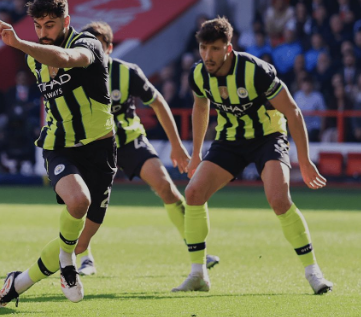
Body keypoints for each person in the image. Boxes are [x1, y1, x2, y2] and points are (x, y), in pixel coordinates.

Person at [172, 17, 333, 295]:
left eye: (214, 49)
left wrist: (304, 161)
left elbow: (292, 111)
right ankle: (198, 274)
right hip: (229, 140)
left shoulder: (256, 71)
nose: (207, 56)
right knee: (194, 192)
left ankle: (313, 272)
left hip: (267, 137)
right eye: (203, 48)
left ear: (229, 49)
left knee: (279, 200)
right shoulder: (198, 74)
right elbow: (201, 108)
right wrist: (196, 153)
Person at [0, 0, 116, 308]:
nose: (44, 34)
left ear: (66, 21)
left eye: (51, 26)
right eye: (39, 27)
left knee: (79, 240)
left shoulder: (88, 45)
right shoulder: (35, 58)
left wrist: (19, 43)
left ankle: (17, 284)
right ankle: (67, 265)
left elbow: (68, 58)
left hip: (101, 149)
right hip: (60, 145)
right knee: (77, 201)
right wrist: (26, 46)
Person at [75, 21, 219, 276]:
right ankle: (84, 257)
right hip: (92, 146)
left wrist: (175, 145)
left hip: (129, 142)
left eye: (99, 44)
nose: (93, 49)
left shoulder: (127, 72)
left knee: (166, 188)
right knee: (80, 201)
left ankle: (197, 249)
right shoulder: (75, 74)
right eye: (89, 44)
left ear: (109, 48)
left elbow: (158, 103)